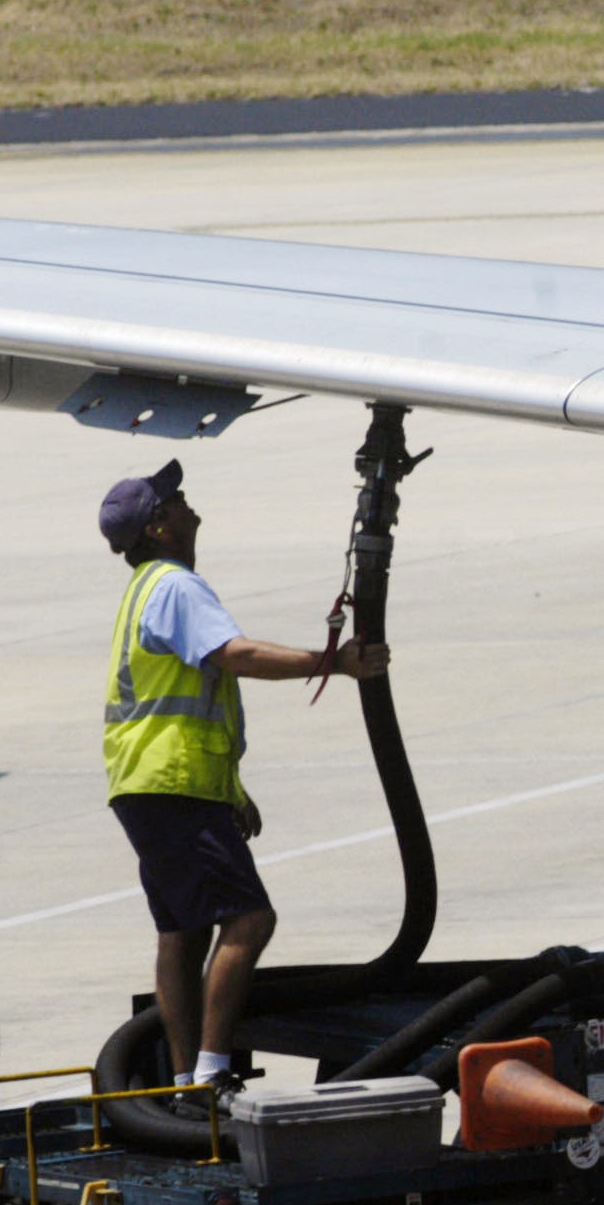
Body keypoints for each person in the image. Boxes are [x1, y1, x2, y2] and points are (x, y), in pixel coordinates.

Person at [97, 458, 389, 1093]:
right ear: (158, 528)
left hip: (151, 783)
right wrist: (332, 662)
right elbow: (235, 655)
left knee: (182, 929)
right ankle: (209, 1075)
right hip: (172, 783)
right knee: (250, 921)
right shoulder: (174, 586)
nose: (187, 503)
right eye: (173, 501)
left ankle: (182, 1079)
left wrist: (231, 791)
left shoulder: (147, 587)